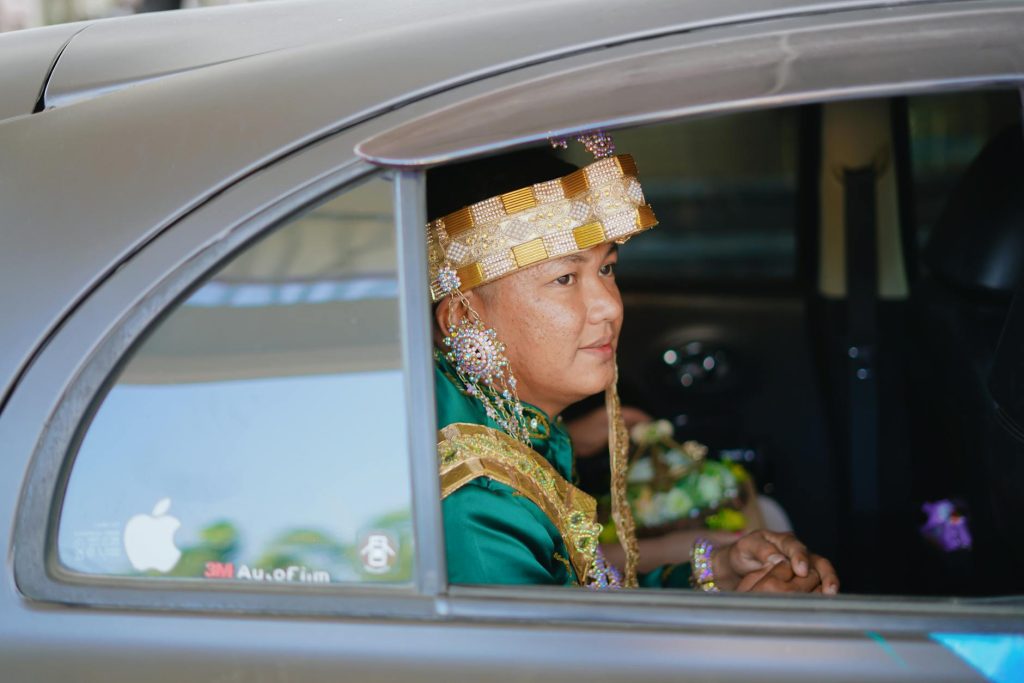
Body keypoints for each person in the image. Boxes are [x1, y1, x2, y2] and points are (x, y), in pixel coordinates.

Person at [427, 140, 838, 593]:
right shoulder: (476, 504)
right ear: (464, 319)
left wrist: (714, 572)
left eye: (607, 270)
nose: (610, 307)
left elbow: (584, 599)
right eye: (565, 278)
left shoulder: (517, 428)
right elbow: (565, 661)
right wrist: (737, 626)